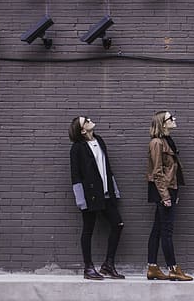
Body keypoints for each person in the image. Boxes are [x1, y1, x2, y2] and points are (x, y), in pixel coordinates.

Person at [69, 116, 125, 280]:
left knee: (118, 224)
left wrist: (114, 190)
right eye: (85, 121)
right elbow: (75, 176)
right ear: (82, 130)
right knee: (88, 230)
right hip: (90, 196)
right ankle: (88, 268)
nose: (89, 120)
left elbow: (107, 167)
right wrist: (81, 200)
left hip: (106, 194)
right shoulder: (77, 148)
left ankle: (108, 265)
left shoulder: (99, 140)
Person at [145, 110, 193, 281]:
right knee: (167, 231)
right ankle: (173, 268)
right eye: (170, 118)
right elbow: (157, 172)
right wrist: (166, 196)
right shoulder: (157, 143)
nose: (174, 119)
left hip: (168, 189)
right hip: (162, 190)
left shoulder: (166, 141)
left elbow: (172, 170)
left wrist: (174, 191)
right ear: (162, 123)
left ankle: (152, 268)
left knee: (158, 229)